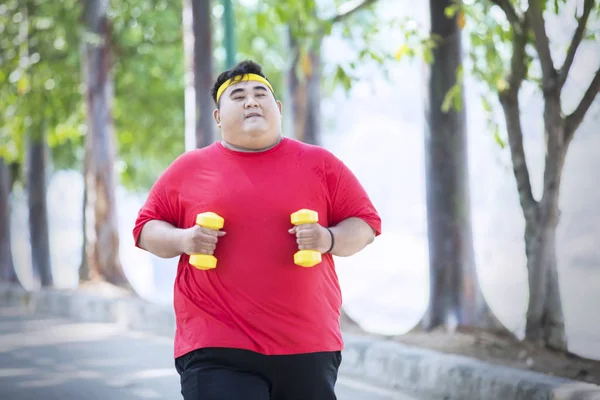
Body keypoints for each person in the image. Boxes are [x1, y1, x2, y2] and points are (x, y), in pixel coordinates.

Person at [133, 60, 382, 400]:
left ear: (277, 108)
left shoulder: (319, 163)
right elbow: (146, 229)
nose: (251, 101)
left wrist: (328, 238)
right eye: (238, 96)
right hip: (216, 346)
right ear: (219, 117)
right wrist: (184, 239)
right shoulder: (189, 168)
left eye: (260, 93)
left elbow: (365, 224)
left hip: (308, 345)